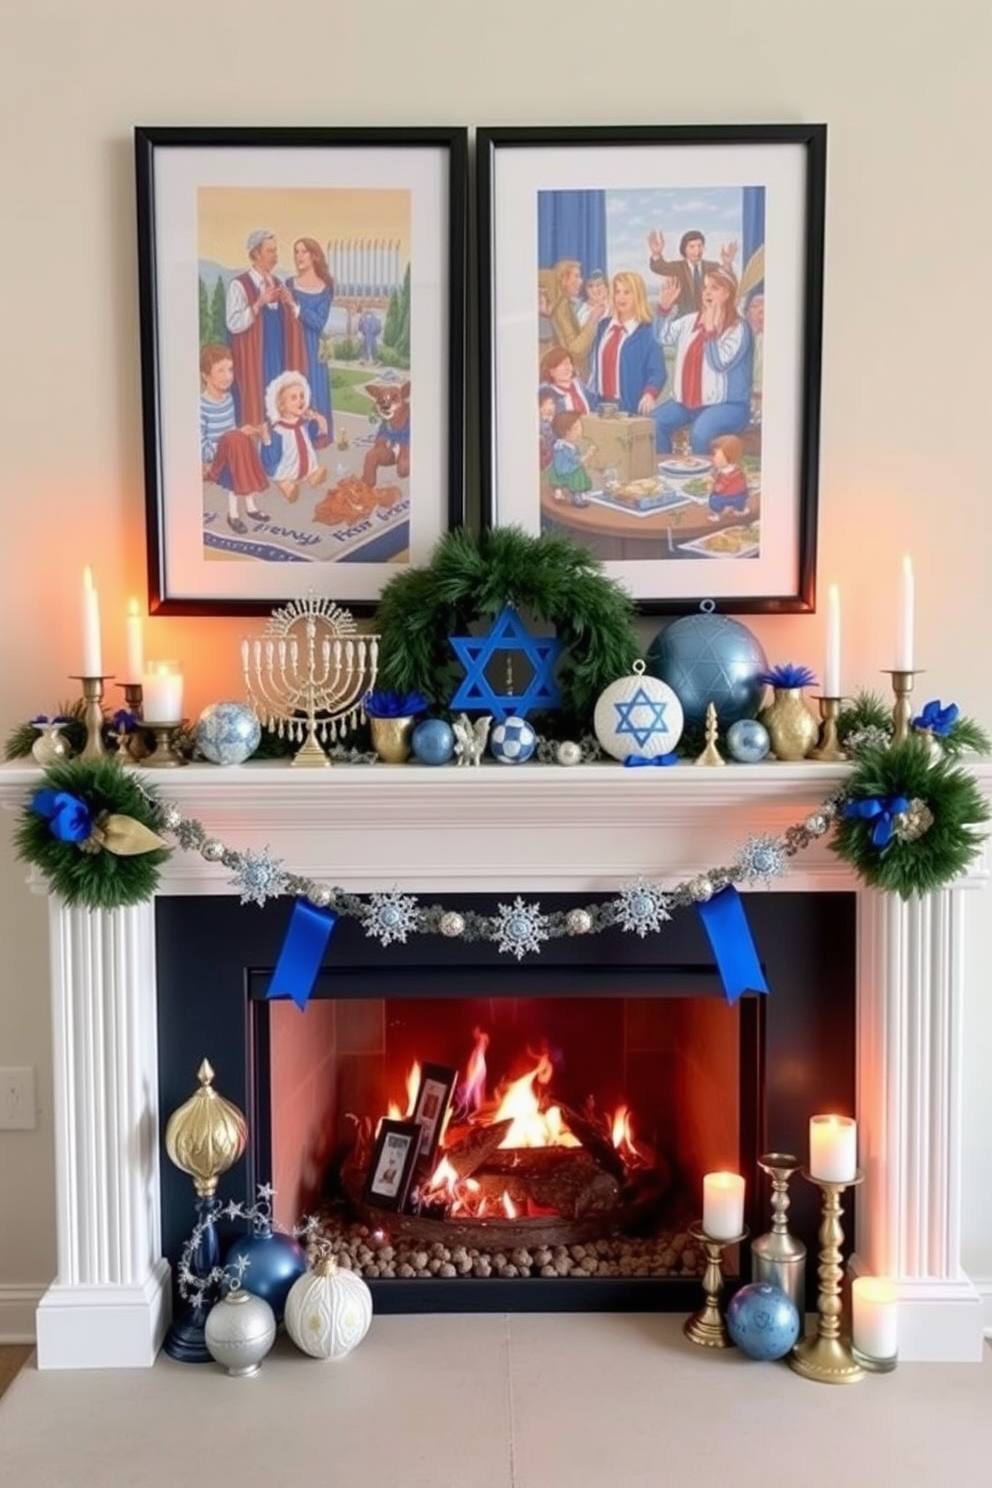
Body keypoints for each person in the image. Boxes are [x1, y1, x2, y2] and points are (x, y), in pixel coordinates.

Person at [653, 267, 753, 455]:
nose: (707, 292)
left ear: (727, 293)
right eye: (705, 287)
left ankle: (703, 480)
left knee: (700, 433)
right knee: (653, 424)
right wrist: (664, 309)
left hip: (727, 405)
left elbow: (719, 364)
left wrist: (711, 333)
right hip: (686, 403)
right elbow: (661, 337)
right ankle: (665, 469)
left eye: (714, 287)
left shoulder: (737, 328)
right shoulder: (690, 321)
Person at [225, 228, 305, 430]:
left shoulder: (276, 282)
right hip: (254, 359)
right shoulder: (239, 285)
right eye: (270, 251)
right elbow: (233, 324)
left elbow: (291, 320)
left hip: (277, 356)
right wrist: (259, 303)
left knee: (277, 400)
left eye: (276, 251)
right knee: (256, 403)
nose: (275, 257)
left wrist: (289, 304)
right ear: (255, 254)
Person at [198, 343, 271, 535]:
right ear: (205, 375)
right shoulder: (201, 406)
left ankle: (250, 507)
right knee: (237, 451)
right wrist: (230, 441)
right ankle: (233, 515)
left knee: (242, 441)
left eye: (230, 369)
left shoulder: (229, 399)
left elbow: (231, 430)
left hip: (232, 451)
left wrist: (240, 433)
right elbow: (201, 447)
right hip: (216, 459)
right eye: (220, 370)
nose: (228, 376)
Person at [590, 271, 666, 416]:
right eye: (617, 292)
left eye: (627, 292)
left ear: (637, 295)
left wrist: (650, 394)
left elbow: (658, 371)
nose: (621, 297)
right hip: (600, 406)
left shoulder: (649, 332)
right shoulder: (603, 326)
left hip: (630, 408)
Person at [285, 237, 335, 447]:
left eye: (304, 251)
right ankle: (294, 435)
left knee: (314, 387)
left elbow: (318, 322)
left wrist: (295, 308)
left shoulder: (325, 288)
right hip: (292, 345)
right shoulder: (289, 284)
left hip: (313, 347)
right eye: (296, 252)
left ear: (314, 255)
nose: (299, 256)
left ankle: (316, 434)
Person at [259, 370, 328, 503]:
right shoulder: (278, 430)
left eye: (302, 396)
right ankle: (287, 486)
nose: (300, 401)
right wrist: (267, 440)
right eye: (294, 398)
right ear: (282, 406)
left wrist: (318, 421)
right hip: (287, 467)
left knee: (313, 468)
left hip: (305, 464)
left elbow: (313, 437)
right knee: (283, 478)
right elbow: (272, 455)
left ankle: (312, 474)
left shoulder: (304, 423)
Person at [646, 228, 738, 318]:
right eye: (692, 247)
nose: (697, 251)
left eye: (700, 246)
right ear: (684, 249)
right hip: (684, 318)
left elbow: (728, 282)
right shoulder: (678, 267)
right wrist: (656, 254)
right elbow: (659, 267)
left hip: (709, 318)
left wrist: (727, 264)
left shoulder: (713, 266)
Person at [547, 259, 606, 379]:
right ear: (563, 280)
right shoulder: (561, 308)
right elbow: (575, 350)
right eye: (576, 277)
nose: (580, 282)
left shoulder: (569, 305)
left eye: (599, 285)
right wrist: (592, 320)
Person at [550, 410, 597, 505]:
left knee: (580, 471)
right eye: (575, 429)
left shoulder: (572, 446)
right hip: (565, 470)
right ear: (565, 432)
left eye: (580, 427)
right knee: (578, 475)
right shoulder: (563, 447)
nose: (580, 432)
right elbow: (575, 460)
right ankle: (577, 495)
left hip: (568, 468)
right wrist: (587, 455)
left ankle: (575, 493)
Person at [539, 344, 596, 414]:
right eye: (562, 365)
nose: (567, 368)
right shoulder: (545, 391)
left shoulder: (578, 384)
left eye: (569, 364)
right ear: (551, 371)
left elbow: (595, 404)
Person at [707, 434, 750, 521]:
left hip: (729, 495)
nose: (714, 458)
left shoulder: (732, 473)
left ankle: (718, 512)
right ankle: (738, 508)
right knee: (739, 501)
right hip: (739, 494)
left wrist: (712, 487)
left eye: (716, 455)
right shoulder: (725, 469)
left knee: (714, 500)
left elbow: (720, 487)